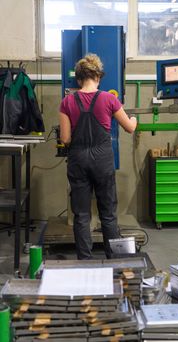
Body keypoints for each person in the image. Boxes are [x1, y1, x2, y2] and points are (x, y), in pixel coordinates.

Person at [59, 53, 137, 259]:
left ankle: (84, 261)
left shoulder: (67, 101)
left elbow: (65, 139)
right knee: (108, 214)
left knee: (82, 215)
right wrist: (134, 119)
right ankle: (113, 260)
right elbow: (129, 128)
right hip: (102, 161)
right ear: (98, 77)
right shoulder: (109, 99)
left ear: (78, 78)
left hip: (78, 160)